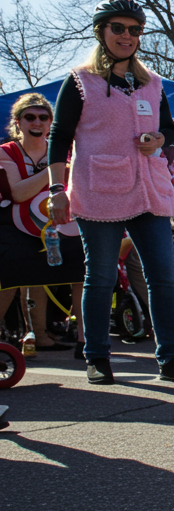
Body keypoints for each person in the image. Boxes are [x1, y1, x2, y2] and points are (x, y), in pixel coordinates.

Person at [46, 0, 174, 384]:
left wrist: (159, 138)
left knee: (163, 276)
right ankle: (96, 356)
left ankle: (170, 357)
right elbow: (60, 137)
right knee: (101, 277)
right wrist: (56, 189)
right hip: (101, 190)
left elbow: (170, 130)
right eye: (118, 28)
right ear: (102, 32)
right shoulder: (81, 81)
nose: (126, 36)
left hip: (150, 190)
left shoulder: (152, 83)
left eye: (134, 30)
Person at [0, 93, 86, 353]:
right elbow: (17, 193)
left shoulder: (67, 151)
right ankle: (27, 336)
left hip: (61, 223)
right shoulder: (7, 152)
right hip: (15, 226)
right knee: (11, 278)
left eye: (43, 117)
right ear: (19, 122)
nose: (36, 122)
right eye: (30, 117)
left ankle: (86, 340)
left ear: (51, 122)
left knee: (82, 273)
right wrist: (55, 169)